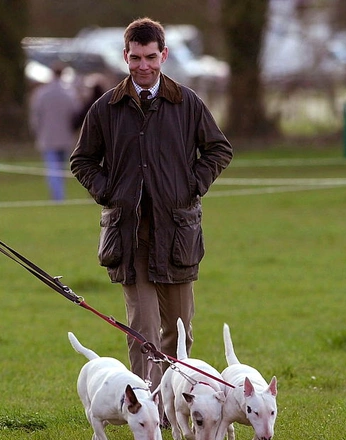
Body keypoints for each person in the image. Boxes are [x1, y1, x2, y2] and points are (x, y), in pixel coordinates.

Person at [70, 18, 233, 395]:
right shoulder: (105, 108)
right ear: (125, 56)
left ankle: (177, 402)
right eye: (135, 57)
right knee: (142, 331)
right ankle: (148, 407)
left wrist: (192, 185)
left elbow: (219, 149)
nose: (143, 65)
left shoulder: (187, 103)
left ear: (164, 55)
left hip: (176, 232)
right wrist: (108, 191)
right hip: (128, 236)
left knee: (178, 331)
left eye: (151, 57)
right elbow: (82, 161)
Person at [29, 61, 80, 201]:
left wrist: (37, 131)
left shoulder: (41, 93)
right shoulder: (69, 93)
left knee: (53, 168)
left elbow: (35, 116)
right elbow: (76, 114)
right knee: (61, 168)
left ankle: (58, 196)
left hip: (47, 136)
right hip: (65, 137)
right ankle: (59, 195)